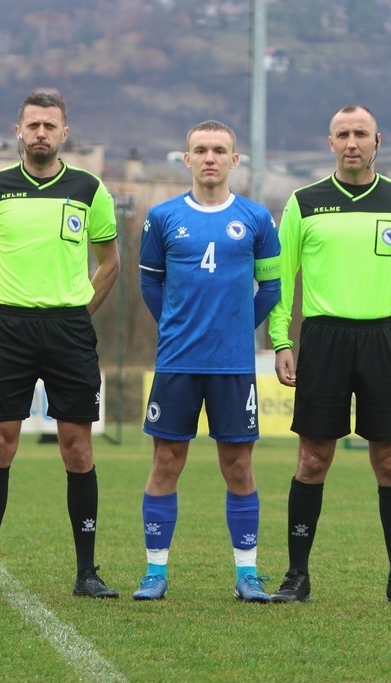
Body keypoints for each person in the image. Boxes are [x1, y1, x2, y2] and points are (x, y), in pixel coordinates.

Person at [268, 105, 391, 606]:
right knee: (312, 459)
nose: (351, 142)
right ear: (330, 143)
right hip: (323, 339)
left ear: (377, 141)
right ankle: (296, 577)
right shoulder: (304, 202)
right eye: (342, 134)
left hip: (384, 338)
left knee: (390, 462)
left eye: (360, 133)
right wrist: (281, 340)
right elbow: (280, 276)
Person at [0, 91, 121, 598]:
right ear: (19, 131)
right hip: (10, 330)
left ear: (64, 133)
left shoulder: (89, 189)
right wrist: (0, 311)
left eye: (50, 125)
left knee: (78, 447)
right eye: (33, 125)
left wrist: (78, 313)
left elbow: (110, 263)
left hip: (69, 329)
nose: (41, 133)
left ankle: (87, 572)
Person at [133, 120, 281, 603]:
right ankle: (155, 572)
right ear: (188, 159)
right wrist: (173, 324)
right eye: (201, 150)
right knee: (166, 462)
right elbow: (150, 283)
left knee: (238, 466)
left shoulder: (257, 218)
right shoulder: (162, 216)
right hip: (177, 361)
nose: (210, 157)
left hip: (233, 366)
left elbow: (272, 288)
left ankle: (247, 575)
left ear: (234, 160)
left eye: (219, 150)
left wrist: (237, 329)